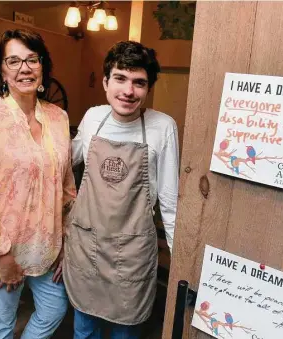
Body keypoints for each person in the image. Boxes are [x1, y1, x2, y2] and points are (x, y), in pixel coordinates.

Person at [0, 29, 76, 339]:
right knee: (0, 327)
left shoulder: (59, 117)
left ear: (42, 66)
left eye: (32, 60)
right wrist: (0, 256)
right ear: (2, 70)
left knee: (54, 310)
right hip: (4, 249)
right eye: (13, 61)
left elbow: (66, 185)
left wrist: (66, 239)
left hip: (48, 247)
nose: (24, 68)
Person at [63, 40, 179, 338]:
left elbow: (168, 198)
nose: (128, 91)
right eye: (120, 78)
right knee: (84, 331)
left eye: (139, 82)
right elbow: (60, 161)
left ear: (148, 88)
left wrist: (181, 258)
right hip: (87, 247)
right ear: (105, 81)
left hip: (132, 253)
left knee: (124, 333)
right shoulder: (92, 118)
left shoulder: (163, 126)